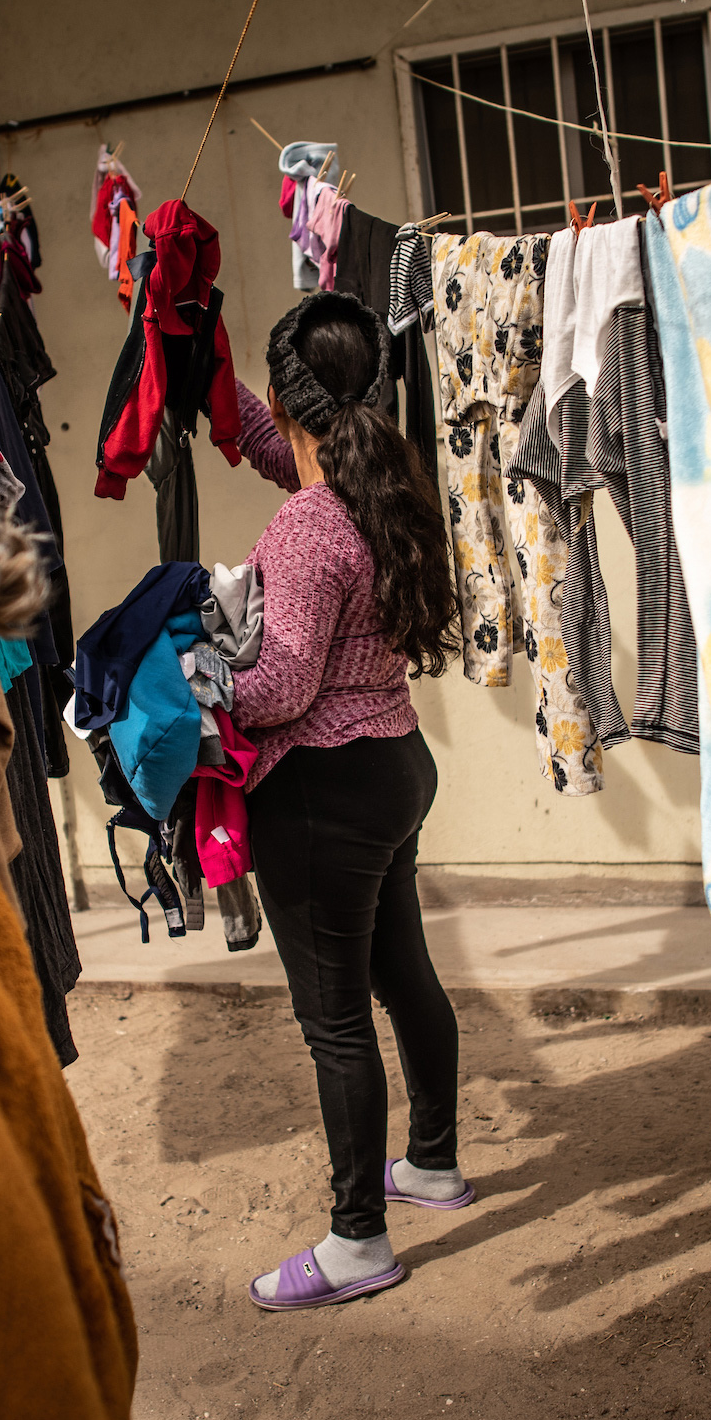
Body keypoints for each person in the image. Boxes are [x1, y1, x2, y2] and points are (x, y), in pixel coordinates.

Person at [228, 291, 475, 1311]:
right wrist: (213, 381)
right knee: (405, 974)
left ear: (294, 412)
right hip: (397, 766)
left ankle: (357, 1241)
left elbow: (280, 689)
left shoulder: (304, 526)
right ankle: (430, 1164)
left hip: (324, 792)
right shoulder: (392, 490)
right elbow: (278, 445)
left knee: (334, 1024)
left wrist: (199, 684)